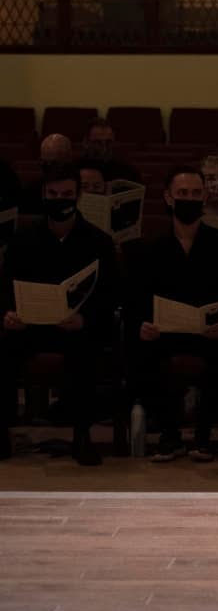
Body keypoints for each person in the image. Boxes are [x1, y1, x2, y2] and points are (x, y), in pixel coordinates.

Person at [125, 167, 218, 462]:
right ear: (168, 198)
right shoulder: (147, 248)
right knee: (142, 352)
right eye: (182, 194)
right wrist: (142, 325)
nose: (189, 199)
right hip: (164, 334)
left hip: (209, 333)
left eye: (195, 193)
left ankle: (204, 436)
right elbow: (135, 300)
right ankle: (169, 436)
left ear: (204, 197)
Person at [1, 163, 117, 464]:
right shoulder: (22, 239)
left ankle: (82, 435)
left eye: (66, 193)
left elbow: (109, 295)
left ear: (77, 196)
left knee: (87, 348)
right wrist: (9, 314)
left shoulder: (98, 242)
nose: (59, 199)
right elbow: (5, 286)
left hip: (75, 327)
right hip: (30, 326)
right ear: (43, 194)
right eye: (53, 193)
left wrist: (84, 319)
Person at [19, 134, 73, 214]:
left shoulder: (78, 186)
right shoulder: (32, 190)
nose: (49, 170)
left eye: (54, 164)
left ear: (68, 161)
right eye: (45, 164)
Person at [81, 117, 140, 184]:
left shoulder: (128, 171)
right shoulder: (75, 170)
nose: (104, 148)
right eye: (97, 142)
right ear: (86, 143)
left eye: (108, 142)